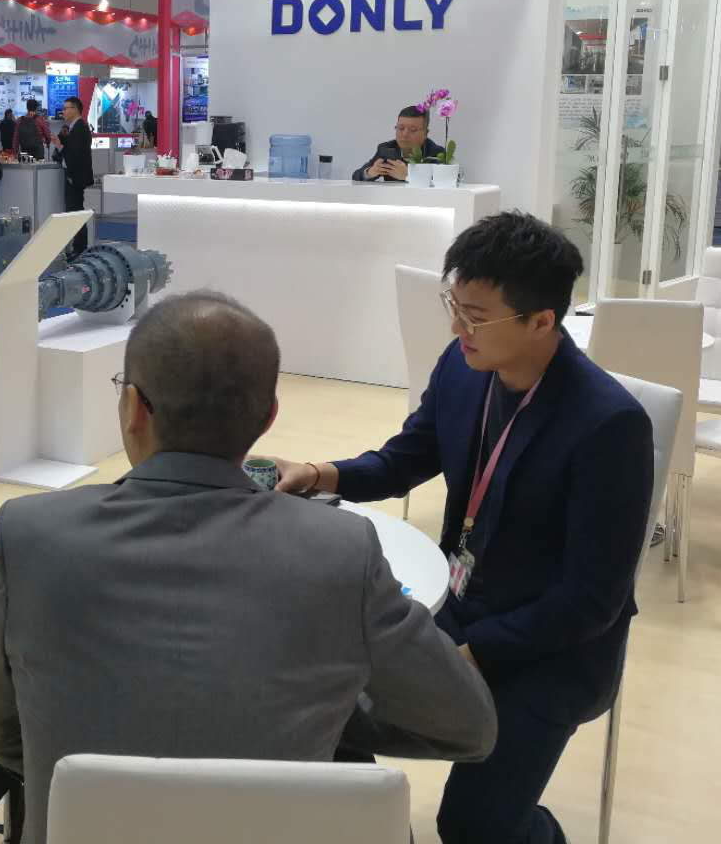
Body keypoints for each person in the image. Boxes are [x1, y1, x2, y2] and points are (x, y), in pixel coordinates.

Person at [0, 291, 498, 844]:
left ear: (133, 407)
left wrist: (86, 776)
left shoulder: (30, 534)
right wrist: (317, 713)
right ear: (268, 416)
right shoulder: (343, 550)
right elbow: (468, 727)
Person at [274, 211, 654, 844]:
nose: (456, 328)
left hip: (552, 651)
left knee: (475, 827)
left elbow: (589, 602)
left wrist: (468, 656)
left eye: (475, 316)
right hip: (458, 606)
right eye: (454, 306)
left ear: (541, 321)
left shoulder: (608, 426)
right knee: (313, 714)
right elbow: (405, 459)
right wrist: (319, 474)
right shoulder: (463, 366)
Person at [353, 104, 446, 181]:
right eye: (401, 128)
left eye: (413, 130)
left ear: (425, 133)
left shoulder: (436, 153)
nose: (405, 134)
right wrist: (370, 172)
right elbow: (356, 176)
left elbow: (445, 181)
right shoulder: (386, 149)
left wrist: (409, 176)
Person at [54, 95, 93, 258]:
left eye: (65, 108)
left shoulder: (80, 127)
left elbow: (75, 154)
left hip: (75, 177)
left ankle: (80, 248)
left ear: (75, 109)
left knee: (75, 211)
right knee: (74, 211)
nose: (63, 112)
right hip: (74, 175)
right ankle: (78, 247)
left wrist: (60, 146)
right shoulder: (72, 128)